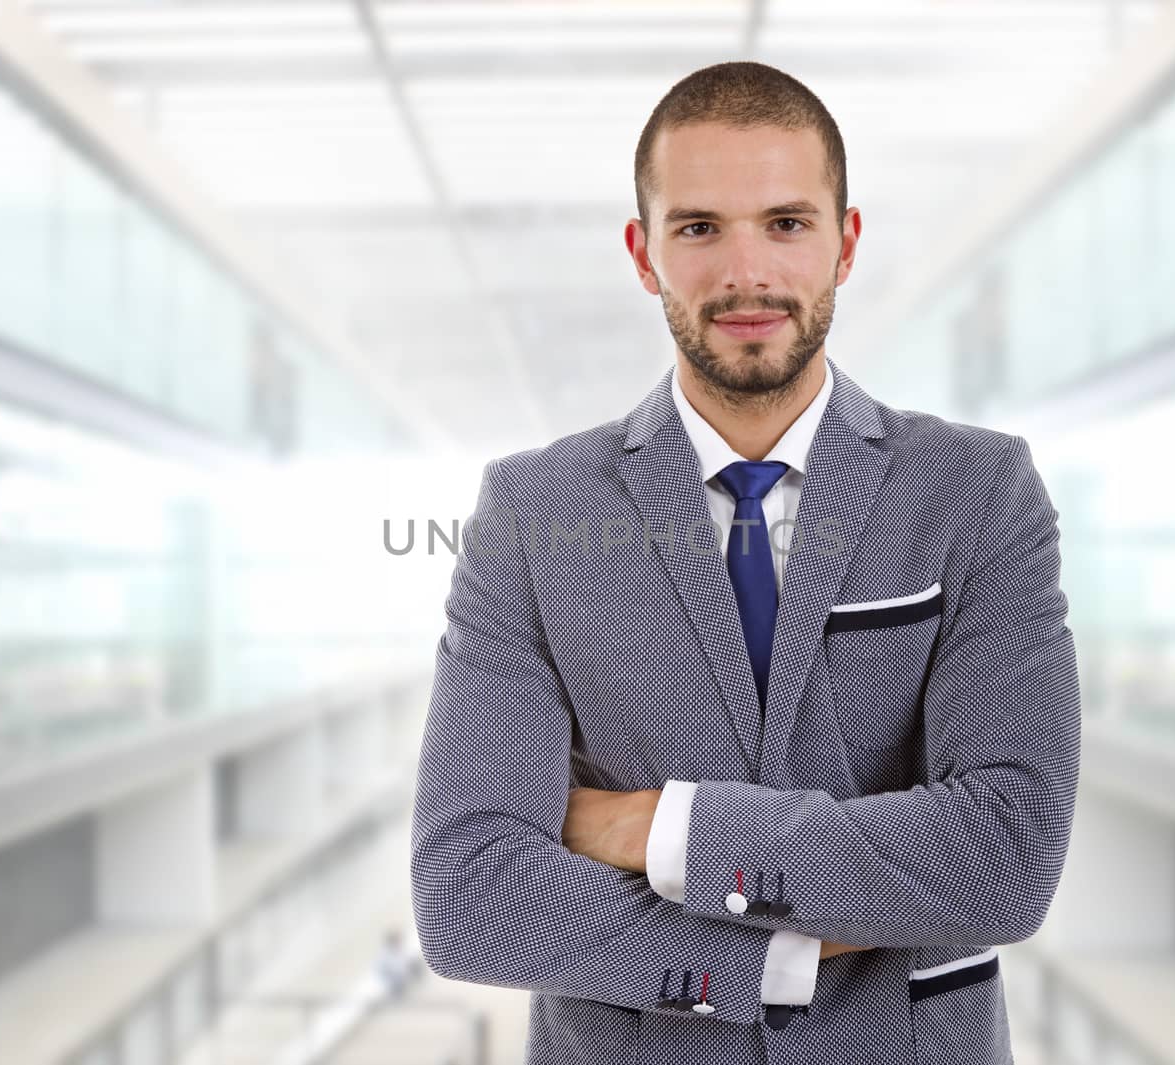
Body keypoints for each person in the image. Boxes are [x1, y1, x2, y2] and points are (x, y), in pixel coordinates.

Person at [409, 60, 1080, 1065]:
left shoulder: (977, 493)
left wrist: (661, 831)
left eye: (786, 222)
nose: (745, 274)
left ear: (844, 243)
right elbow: (470, 891)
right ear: (643, 254)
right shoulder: (532, 514)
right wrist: (778, 960)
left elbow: (1005, 854)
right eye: (697, 229)